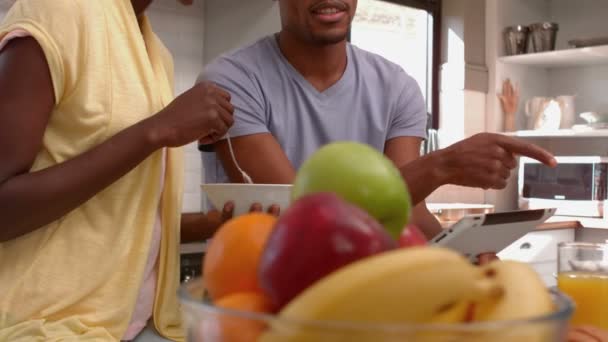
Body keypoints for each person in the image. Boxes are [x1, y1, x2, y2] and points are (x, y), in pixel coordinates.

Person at [198, 0, 556, 239]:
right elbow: (303, 217)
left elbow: (408, 213)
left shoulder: (397, 87)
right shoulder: (231, 82)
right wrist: (442, 165)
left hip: (363, 297)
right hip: (256, 299)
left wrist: (460, 256)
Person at [0, 0, 235, 340]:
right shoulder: (58, 10)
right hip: (38, 326)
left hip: (135, 326)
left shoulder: (156, 54)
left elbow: (118, 225)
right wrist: (157, 131)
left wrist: (213, 226)